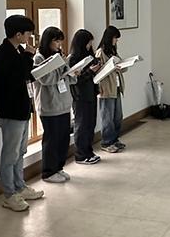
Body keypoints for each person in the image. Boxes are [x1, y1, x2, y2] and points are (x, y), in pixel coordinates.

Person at [0, 15, 46, 212]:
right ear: (18, 34)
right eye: (28, 33)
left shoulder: (19, 51)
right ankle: (9, 194)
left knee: (20, 151)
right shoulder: (4, 53)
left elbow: (27, 75)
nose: (30, 37)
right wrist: (28, 57)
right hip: (10, 111)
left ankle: (20, 187)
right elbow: (16, 77)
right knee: (10, 154)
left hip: (21, 109)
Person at [35, 26, 75, 184]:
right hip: (50, 106)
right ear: (48, 41)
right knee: (51, 140)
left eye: (60, 41)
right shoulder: (39, 58)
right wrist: (61, 67)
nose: (59, 44)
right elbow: (46, 79)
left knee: (63, 139)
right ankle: (48, 172)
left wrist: (72, 71)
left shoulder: (59, 55)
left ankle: (58, 167)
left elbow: (68, 78)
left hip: (64, 104)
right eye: (56, 41)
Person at [68, 29, 102, 166]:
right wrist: (90, 71)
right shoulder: (73, 59)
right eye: (88, 43)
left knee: (90, 124)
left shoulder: (89, 56)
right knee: (81, 125)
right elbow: (75, 79)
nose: (90, 46)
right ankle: (81, 155)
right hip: (80, 96)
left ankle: (89, 152)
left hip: (91, 93)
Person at [97, 25, 127, 153]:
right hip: (106, 89)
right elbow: (98, 73)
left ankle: (114, 139)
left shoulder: (113, 52)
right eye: (115, 38)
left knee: (118, 116)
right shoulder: (100, 53)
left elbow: (122, 68)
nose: (116, 40)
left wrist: (123, 65)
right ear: (109, 38)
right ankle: (106, 142)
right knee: (107, 117)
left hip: (116, 87)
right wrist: (112, 68)